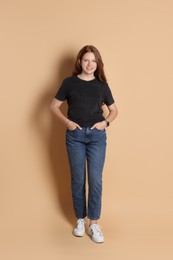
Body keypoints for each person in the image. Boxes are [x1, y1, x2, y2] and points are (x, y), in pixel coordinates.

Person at [50, 45, 118, 243]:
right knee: (78, 179)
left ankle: (94, 224)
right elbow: (53, 106)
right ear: (80, 61)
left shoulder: (102, 86)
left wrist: (104, 123)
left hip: (97, 137)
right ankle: (80, 220)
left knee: (95, 180)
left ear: (98, 64)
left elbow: (114, 111)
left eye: (94, 61)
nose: (90, 64)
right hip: (75, 137)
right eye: (87, 60)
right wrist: (68, 123)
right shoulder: (69, 83)